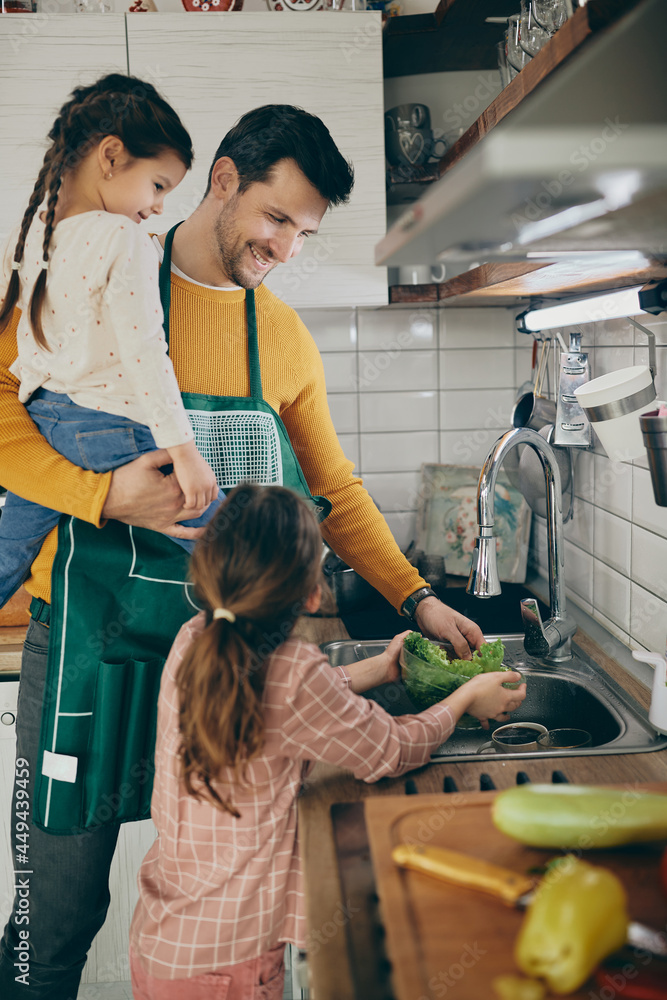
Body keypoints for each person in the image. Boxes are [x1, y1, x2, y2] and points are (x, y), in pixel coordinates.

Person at [0, 97, 487, 999]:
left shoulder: (284, 337)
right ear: (221, 181)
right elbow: (4, 414)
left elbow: (333, 493)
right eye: (275, 219)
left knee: (221, 909)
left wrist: (418, 597)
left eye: (303, 232)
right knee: (52, 922)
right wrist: (104, 492)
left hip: (228, 668)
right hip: (88, 654)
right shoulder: (96, 267)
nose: (286, 249)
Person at [128, 482, 525, 999]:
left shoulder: (198, 638)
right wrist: (468, 697)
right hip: (230, 966)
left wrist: (379, 668)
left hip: (167, 941)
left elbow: (288, 706)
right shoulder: (290, 670)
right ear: (314, 593)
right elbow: (391, 749)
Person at [0, 74, 222, 610]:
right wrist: (185, 453)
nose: (161, 206)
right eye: (159, 185)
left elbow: (28, 351)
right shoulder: (123, 238)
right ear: (112, 156)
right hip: (108, 427)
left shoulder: (36, 233)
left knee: (7, 555)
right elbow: (147, 354)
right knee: (232, 541)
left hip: (46, 424)